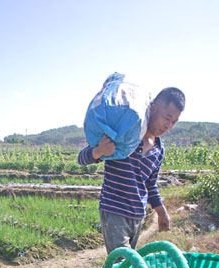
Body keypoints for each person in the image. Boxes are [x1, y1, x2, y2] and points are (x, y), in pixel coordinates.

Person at [78, 87, 185, 254]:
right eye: (167, 118)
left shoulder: (158, 150)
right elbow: (82, 158)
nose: (168, 126)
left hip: (137, 216)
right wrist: (99, 151)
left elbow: (150, 185)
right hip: (114, 210)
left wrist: (162, 212)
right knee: (124, 263)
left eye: (174, 122)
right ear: (153, 108)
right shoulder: (126, 136)